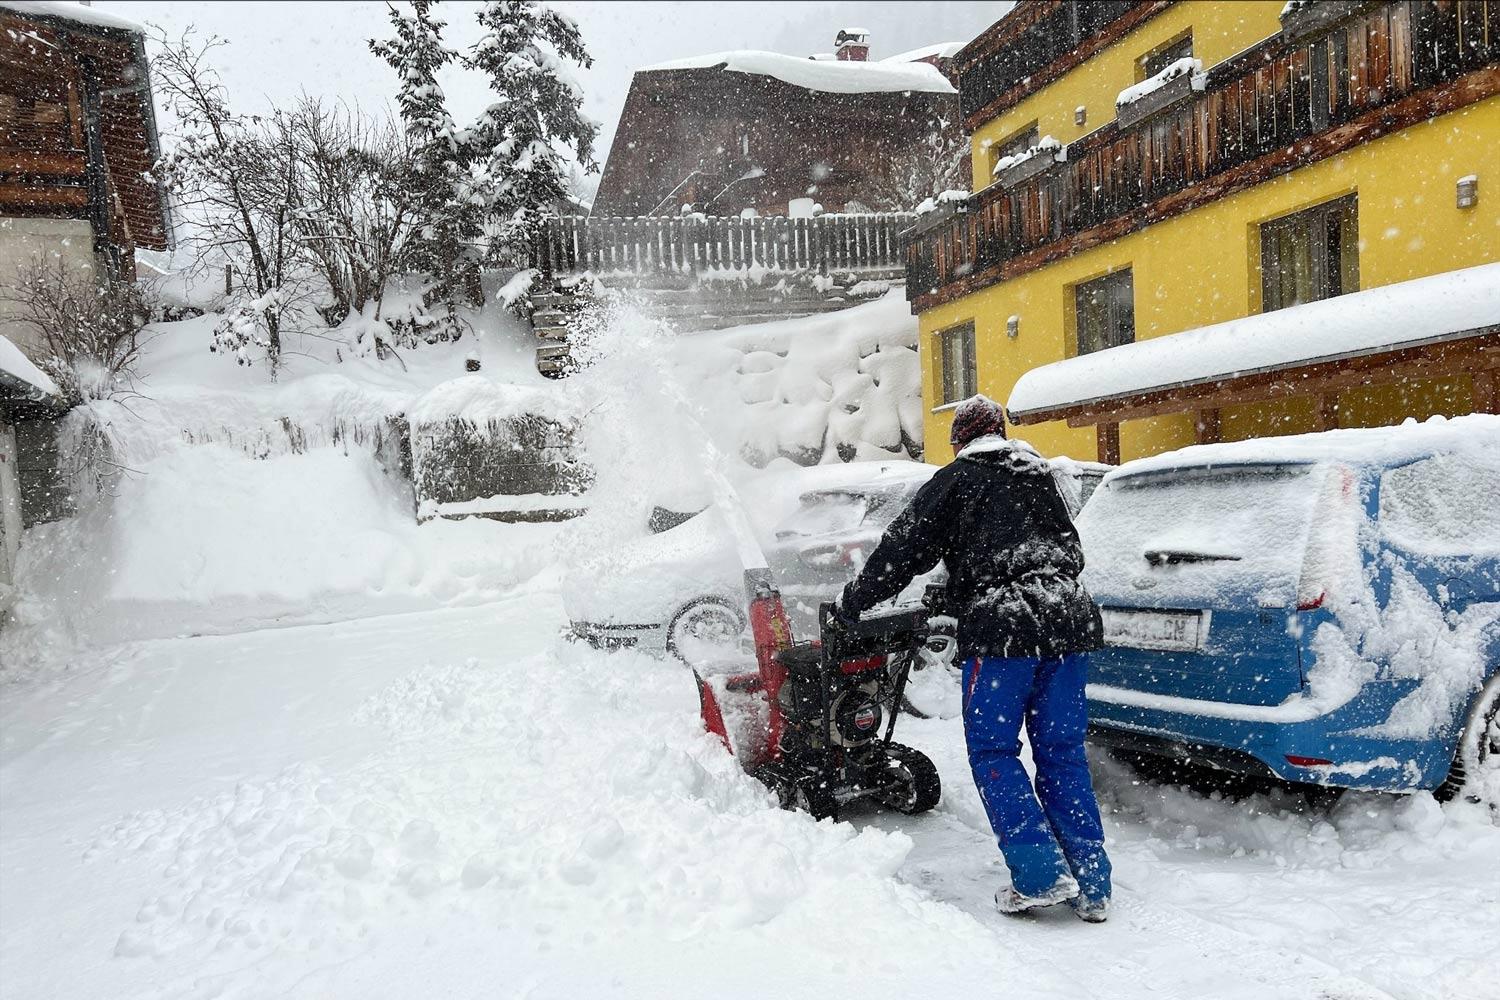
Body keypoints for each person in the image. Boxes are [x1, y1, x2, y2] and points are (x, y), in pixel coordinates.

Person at [835, 394, 1112, 922]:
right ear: (1001, 433)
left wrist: (855, 601)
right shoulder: (1041, 475)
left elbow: (903, 550)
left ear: (961, 441)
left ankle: (1038, 874)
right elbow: (1047, 551)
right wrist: (959, 591)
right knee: (1062, 752)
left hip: (1005, 628)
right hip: (1070, 620)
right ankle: (1093, 881)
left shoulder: (958, 478)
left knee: (994, 752)